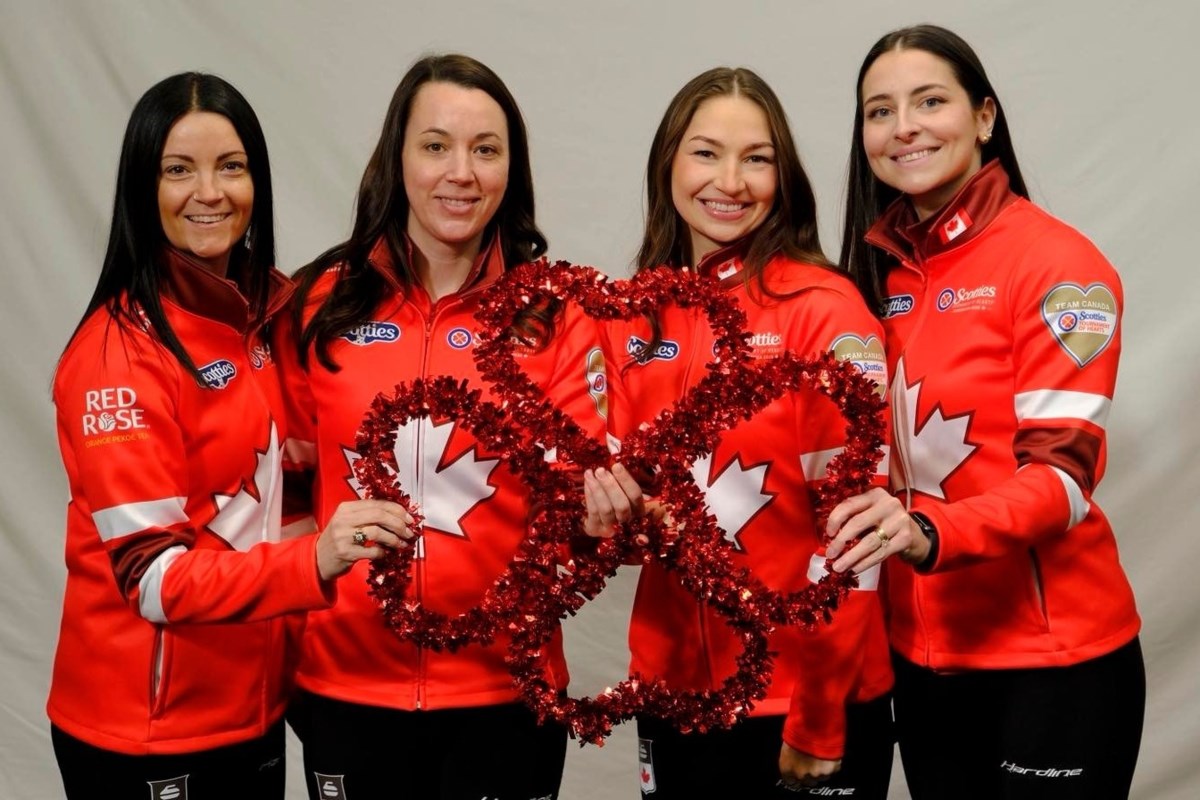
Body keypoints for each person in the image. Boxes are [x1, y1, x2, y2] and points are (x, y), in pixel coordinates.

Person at [47, 73, 412, 800]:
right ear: (142, 187)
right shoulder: (117, 355)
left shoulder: (273, 313)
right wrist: (317, 560)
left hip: (256, 711)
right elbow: (152, 577)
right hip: (146, 732)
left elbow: (295, 489)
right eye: (178, 169)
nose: (209, 192)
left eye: (231, 166)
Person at [824, 24, 1145, 799]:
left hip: (1054, 665)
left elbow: (1063, 480)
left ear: (984, 117)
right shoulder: (872, 279)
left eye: (930, 101)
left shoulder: (1058, 264)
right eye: (880, 111)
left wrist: (930, 532)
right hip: (923, 664)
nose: (904, 127)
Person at [277, 54, 609, 800]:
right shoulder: (318, 304)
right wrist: (306, 622)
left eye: (485, 150)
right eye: (435, 146)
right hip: (345, 690)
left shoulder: (555, 316)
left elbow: (583, 517)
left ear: (511, 170)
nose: (461, 173)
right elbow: (285, 495)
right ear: (397, 158)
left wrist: (600, 524)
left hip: (507, 698)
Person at [594, 66, 894, 799]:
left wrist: (819, 718)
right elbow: (616, 517)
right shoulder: (630, 319)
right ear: (668, 163)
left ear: (782, 176)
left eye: (756, 158)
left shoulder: (826, 311)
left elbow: (859, 538)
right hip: (674, 696)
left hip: (802, 701)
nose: (729, 182)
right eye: (706, 153)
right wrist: (603, 521)